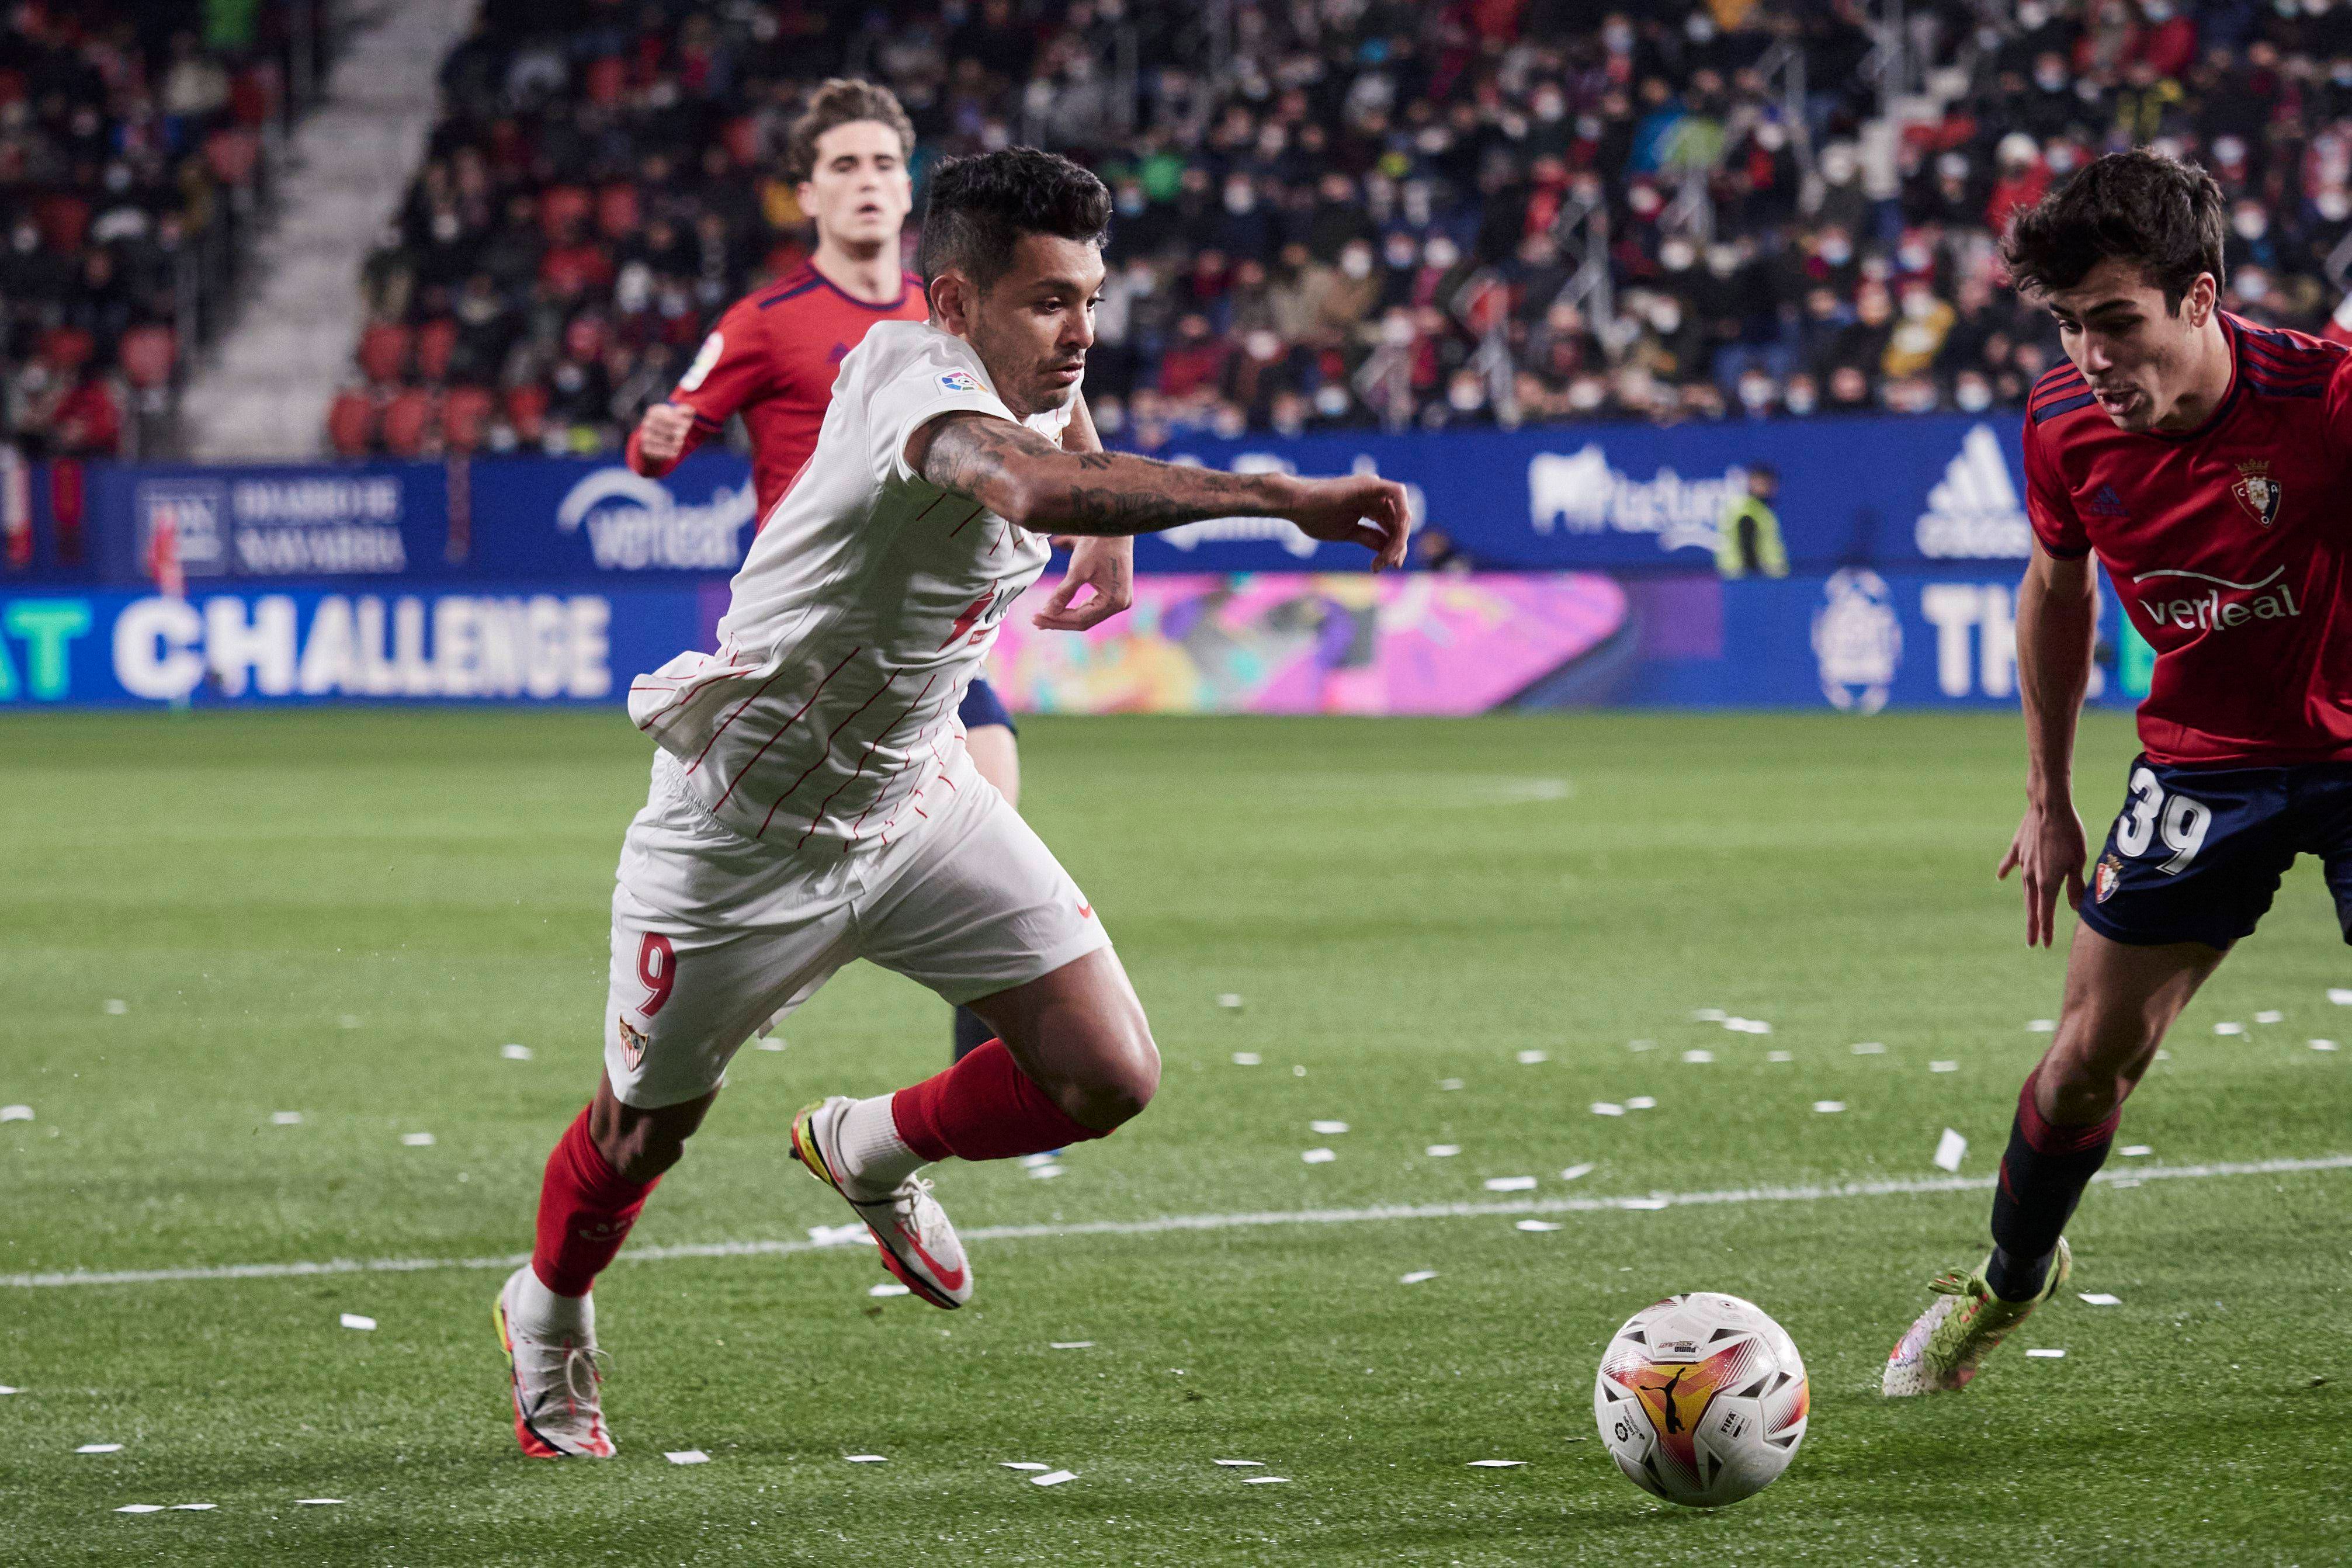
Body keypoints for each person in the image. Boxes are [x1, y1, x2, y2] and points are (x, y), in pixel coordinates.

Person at [494, 147, 1411, 1457]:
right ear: (950, 303)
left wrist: (1107, 525)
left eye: (1091, 296)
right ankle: (549, 1315)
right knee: (638, 1134)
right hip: (742, 834)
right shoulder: (903, 378)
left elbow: (1061, 439)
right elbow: (1025, 478)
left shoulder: (1029, 375)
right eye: (1047, 301)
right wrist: (1274, 499)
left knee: (1107, 1075)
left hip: (919, 799)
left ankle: (865, 1145)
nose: (1081, 332)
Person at [1885, 149, 2352, 1395]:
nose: (2091, 355)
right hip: (2204, 765)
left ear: (2200, 300)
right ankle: (2009, 1278)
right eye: (2068, 325)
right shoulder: (2059, 424)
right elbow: (2055, 585)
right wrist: (2050, 797)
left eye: (2116, 322)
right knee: (2090, 1053)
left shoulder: (2329, 402)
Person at [622, 79, 1091, 1066]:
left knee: (994, 806)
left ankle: (989, 1075)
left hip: (926, 623)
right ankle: (761, 975)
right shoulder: (766, 319)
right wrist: (657, 439)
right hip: (818, 635)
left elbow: (1057, 408)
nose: (871, 182)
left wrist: (1105, 520)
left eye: (886, 162)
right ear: (808, 196)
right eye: (845, 165)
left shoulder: (969, 310)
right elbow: (671, 434)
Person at [1714, 463, 1788, 578]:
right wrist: (1756, 578)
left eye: (1768, 484)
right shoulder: (1747, 511)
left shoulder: (1760, 510)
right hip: (1748, 579)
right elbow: (1748, 548)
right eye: (1760, 483)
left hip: (1752, 578)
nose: (1764, 488)